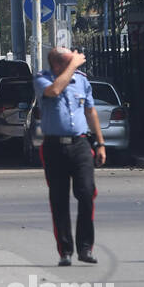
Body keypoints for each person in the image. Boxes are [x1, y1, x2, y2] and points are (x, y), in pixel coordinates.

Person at [34, 47, 106, 266]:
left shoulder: (81, 81)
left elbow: (90, 111)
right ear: (58, 65)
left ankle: (85, 248)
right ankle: (65, 251)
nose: (75, 65)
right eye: (70, 62)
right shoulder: (42, 79)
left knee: (86, 193)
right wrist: (73, 65)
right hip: (54, 147)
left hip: (81, 144)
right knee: (59, 198)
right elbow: (55, 91)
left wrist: (100, 143)